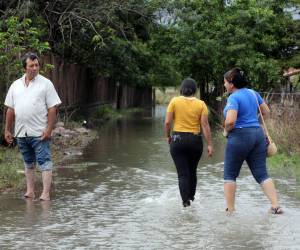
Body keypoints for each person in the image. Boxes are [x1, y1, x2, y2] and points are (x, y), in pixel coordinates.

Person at [223, 67, 283, 214]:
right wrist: (254, 124)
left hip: (240, 136)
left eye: (224, 82)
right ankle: (276, 206)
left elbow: (230, 121)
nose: (224, 85)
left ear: (231, 83)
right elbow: (266, 111)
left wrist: (226, 130)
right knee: (262, 173)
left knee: (230, 175)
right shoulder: (253, 93)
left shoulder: (234, 98)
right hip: (258, 134)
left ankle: (230, 210)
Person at [4, 52, 61, 201]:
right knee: (28, 162)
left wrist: (49, 129)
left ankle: (45, 193)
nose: (35, 68)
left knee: (44, 162)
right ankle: (30, 191)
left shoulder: (46, 84)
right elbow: (10, 109)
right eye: (32, 65)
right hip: (22, 132)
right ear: (25, 68)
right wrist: (7, 129)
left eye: (37, 65)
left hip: (40, 132)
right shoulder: (15, 85)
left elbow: (52, 108)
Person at [165, 78, 213, 207]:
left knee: (182, 174)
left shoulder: (174, 101)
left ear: (182, 89)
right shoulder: (201, 104)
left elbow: (168, 122)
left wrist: (167, 136)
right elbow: (205, 125)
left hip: (178, 140)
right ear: (195, 90)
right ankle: (191, 197)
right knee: (192, 171)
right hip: (195, 141)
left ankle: (185, 202)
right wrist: (209, 144)